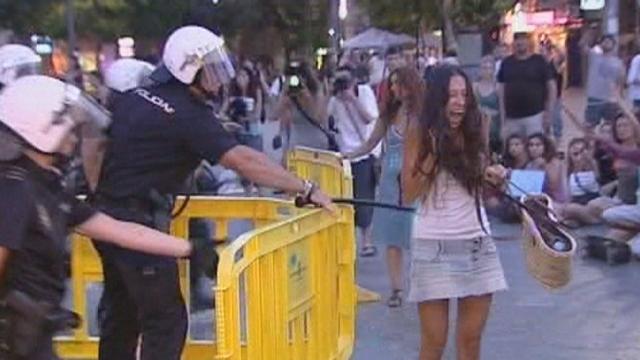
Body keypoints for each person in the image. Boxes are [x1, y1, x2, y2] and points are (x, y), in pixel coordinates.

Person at [92, 26, 335, 360]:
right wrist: (306, 188)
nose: (219, 80)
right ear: (188, 70)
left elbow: (101, 142)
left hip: (105, 220)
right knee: (165, 321)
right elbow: (243, 160)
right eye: (212, 70)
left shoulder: (138, 96)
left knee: (121, 316)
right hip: (139, 226)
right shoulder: (188, 114)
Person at [0, 75, 193, 360]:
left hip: (33, 338)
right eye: (69, 130)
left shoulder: (47, 188)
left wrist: (188, 249)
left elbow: (118, 230)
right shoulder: (14, 191)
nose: (75, 138)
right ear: (42, 129)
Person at [401, 65, 508, 360]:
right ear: (438, 99)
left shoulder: (478, 127)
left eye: (464, 94)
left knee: (471, 340)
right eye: (452, 95)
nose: (460, 101)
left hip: (476, 238)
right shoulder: (418, 133)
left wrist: (493, 174)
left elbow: (477, 181)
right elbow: (409, 192)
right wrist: (435, 152)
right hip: (433, 241)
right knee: (434, 343)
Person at [347, 66, 423, 307]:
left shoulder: (424, 114)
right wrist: (347, 156)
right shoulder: (389, 113)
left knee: (419, 234)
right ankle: (397, 288)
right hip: (391, 181)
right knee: (393, 237)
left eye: (398, 83)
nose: (393, 89)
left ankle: (423, 284)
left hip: (416, 178)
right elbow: (371, 142)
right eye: (391, 84)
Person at [328, 66, 381, 257]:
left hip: (363, 153)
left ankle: (366, 242)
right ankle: (347, 242)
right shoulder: (335, 100)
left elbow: (368, 118)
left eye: (345, 81)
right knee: (347, 201)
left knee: (364, 200)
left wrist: (352, 99)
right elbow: (327, 120)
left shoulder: (364, 92)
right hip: (343, 155)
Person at [498, 32, 556, 138]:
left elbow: (551, 87)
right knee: (514, 150)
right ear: (513, 43)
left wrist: (549, 113)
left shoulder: (539, 61)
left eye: (523, 39)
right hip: (512, 118)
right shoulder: (506, 63)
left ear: (529, 42)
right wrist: (503, 119)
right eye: (517, 40)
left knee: (536, 148)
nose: (520, 43)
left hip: (535, 116)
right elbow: (501, 91)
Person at [271, 60, 332, 154]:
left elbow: (318, 118)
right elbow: (273, 116)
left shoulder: (317, 91)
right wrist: (284, 92)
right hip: (297, 146)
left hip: (317, 146)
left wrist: (307, 97)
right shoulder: (290, 96)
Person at [581, 32, 625, 128]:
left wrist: (619, 97)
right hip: (594, 98)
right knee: (589, 126)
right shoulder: (594, 55)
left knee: (612, 126)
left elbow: (620, 81)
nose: (606, 43)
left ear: (613, 45)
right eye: (604, 41)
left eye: (609, 41)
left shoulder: (618, 62)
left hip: (611, 100)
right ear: (600, 44)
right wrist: (587, 35)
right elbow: (583, 46)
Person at [525, 133, 567, 203]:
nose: (534, 148)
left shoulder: (554, 162)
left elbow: (554, 185)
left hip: (554, 201)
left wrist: (544, 166)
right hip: (534, 200)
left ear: (545, 146)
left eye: (538, 145)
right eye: (531, 145)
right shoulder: (529, 165)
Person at [474, 56, 501, 156]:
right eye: (484, 68)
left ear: (493, 70)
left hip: (494, 126)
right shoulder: (475, 86)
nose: (486, 71)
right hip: (479, 124)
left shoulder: (497, 87)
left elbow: (502, 108)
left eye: (489, 68)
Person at [541, 42, 566, 143]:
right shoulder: (539, 66)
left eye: (544, 51)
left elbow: (562, 56)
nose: (542, 53)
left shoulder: (553, 64)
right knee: (545, 120)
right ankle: (546, 140)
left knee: (556, 119)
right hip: (543, 98)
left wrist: (555, 46)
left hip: (555, 97)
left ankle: (558, 140)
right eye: (541, 51)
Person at [566, 137, 600, 205]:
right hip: (576, 202)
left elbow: (598, 179)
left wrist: (589, 160)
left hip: (594, 201)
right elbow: (567, 192)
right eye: (576, 153)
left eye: (582, 150)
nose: (580, 156)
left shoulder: (592, 164)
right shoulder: (567, 168)